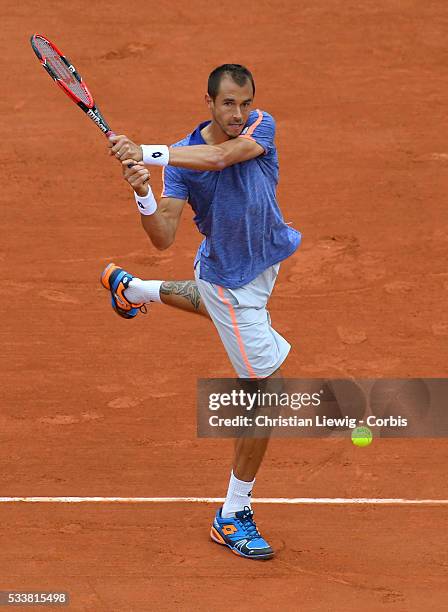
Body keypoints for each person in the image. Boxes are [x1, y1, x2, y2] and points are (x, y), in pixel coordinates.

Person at [102, 64, 301, 560]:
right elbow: (163, 236)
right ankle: (232, 514)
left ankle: (136, 289)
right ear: (208, 102)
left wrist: (148, 151)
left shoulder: (260, 126)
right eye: (228, 103)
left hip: (262, 266)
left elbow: (220, 157)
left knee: (217, 307)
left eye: (245, 102)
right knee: (266, 391)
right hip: (229, 282)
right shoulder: (180, 163)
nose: (239, 113)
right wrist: (142, 191)